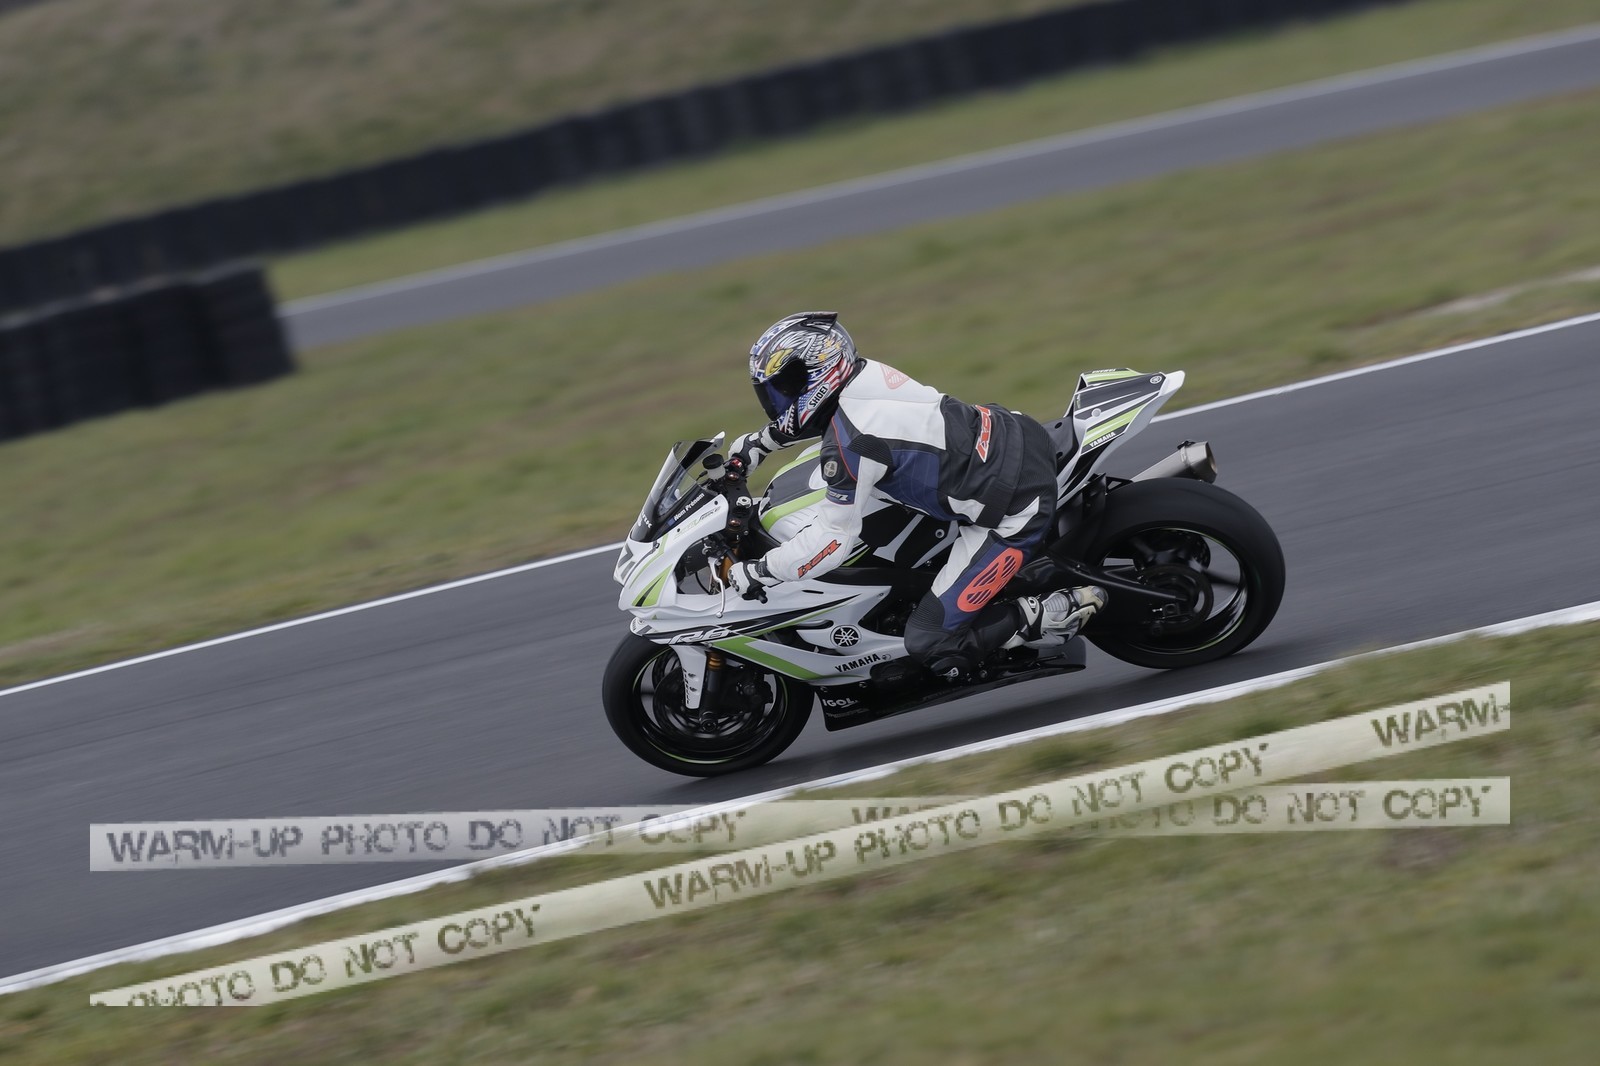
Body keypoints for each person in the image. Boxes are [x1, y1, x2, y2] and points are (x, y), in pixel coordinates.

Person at [722, 310, 1107, 679]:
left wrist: (761, 571)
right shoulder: (864, 374)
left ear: (819, 374)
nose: (777, 400)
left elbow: (832, 543)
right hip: (1013, 431)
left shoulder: (851, 445)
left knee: (930, 641)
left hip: (1015, 508)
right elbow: (815, 417)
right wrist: (757, 444)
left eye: (784, 387)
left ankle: (1048, 613)